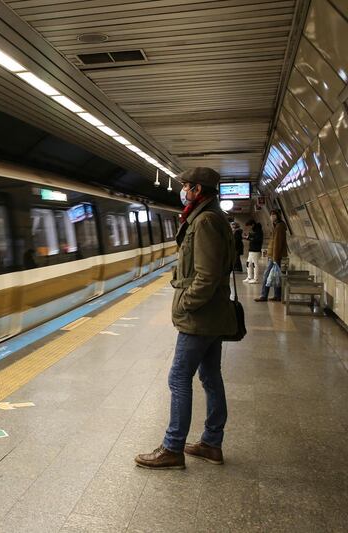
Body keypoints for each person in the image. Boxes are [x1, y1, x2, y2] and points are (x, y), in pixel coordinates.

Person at [135, 167, 236, 469]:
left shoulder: (204, 222)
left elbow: (205, 276)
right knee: (209, 376)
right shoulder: (214, 217)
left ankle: (172, 447)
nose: (183, 192)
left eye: (186, 187)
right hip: (214, 313)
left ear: (197, 190)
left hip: (201, 316)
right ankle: (211, 443)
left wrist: (185, 305)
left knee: (178, 377)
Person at [254, 209, 287, 302]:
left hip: (275, 256)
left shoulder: (279, 226)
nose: (272, 216)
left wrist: (275, 258)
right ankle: (277, 295)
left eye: (274, 214)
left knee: (266, 275)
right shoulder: (276, 225)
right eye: (271, 214)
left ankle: (264, 295)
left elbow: (277, 243)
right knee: (276, 276)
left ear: (278, 215)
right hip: (273, 255)